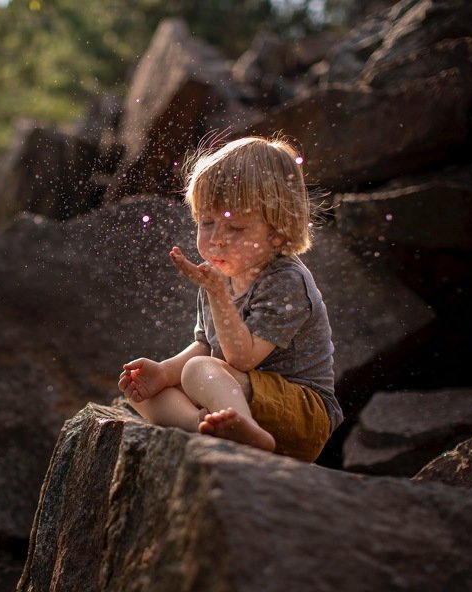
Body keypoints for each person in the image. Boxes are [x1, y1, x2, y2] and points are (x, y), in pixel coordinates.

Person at [118, 136, 342, 462]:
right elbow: (205, 345)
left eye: (235, 227)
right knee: (140, 392)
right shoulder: (220, 275)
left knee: (198, 371)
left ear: (278, 232)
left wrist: (218, 295)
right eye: (206, 223)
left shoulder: (286, 280)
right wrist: (163, 373)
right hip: (240, 395)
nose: (217, 240)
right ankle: (206, 427)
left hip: (301, 413)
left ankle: (245, 431)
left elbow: (241, 359)